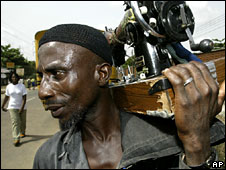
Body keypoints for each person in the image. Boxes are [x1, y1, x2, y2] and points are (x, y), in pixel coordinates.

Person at [33, 24, 225, 169]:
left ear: (102, 74)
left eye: (57, 74)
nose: (43, 91)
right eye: (41, 76)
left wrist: (196, 145)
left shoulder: (170, 138)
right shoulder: (49, 158)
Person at [1, 72, 27, 146]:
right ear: (10, 78)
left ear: (18, 78)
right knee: (15, 122)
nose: (14, 78)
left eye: (15, 77)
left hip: (22, 107)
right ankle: (16, 138)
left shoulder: (22, 86)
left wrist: (21, 108)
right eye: (12, 77)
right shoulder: (8, 86)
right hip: (12, 107)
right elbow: (6, 97)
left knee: (22, 122)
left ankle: (22, 132)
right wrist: (2, 106)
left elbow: (24, 98)